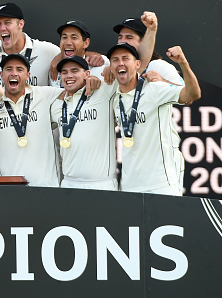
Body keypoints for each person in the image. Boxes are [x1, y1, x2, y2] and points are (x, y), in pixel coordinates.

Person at [108, 42, 200, 195]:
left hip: (161, 184)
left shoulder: (154, 89)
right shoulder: (114, 98)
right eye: (115, 60)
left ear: (138, 64)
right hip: (129, 186)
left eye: (125, 58)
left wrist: (183, 63)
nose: (120, 63)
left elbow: (192, 94)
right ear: (111, 67)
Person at [0, 54, 66, 186]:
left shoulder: (45, 94)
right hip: (9, 188)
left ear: (28, 75)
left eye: (19, 69)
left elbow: (74, 90)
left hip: (46, 187)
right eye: (9, 69)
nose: (14, 73)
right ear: (1, 74)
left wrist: (90, 80)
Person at [49, 56, 118, 190]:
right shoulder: (56, 105)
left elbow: (129, 73)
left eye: (75, 71)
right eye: (64, 72)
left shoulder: (103, 91)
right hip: (69, 183)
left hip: (103, 184)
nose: (69, 76)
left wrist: (111, 69)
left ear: (87, 74)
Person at [0, 2, 60, 87]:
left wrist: (61, 55)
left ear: (21, 24)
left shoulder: (48, 51)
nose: (2, 28)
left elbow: (76, 59)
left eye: (7, 22)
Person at [104, 18, 185, 86]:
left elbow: (188, 99)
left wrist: (162, 82)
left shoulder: (160, 65)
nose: (122, 41)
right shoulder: (112, 66)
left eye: (129, 37)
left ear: (144, 41)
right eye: (120, 37)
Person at [49, 19, 109, 87]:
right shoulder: (53, 68)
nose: (68, 43)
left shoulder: (99, 69)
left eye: (74, 38)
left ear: (86, 43)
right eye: (64, 37)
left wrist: (103, 59)